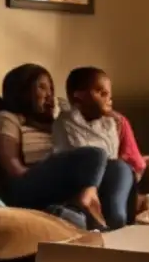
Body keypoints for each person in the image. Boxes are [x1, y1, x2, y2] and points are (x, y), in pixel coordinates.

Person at [0, 64, 108, 228]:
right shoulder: (8, 119)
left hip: (62, 182)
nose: (50, 95)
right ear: (22, 91)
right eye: (42, 88)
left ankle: (69, 212)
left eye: (51, 89)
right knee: (96, 154)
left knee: (116, 167)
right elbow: (13, 169)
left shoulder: (59, 122)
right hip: (28, 183)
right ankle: (82, 202)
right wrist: (56, 172)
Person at [53, 66, 136, 230]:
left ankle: (114, 219)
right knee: (111, 163)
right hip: (79, 183)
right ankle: (101, 218)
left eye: (109, 94)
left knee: (123, 168)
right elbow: (82, 157)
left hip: (106, 182)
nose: (108, 99)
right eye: (101, 93)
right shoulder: (66, 122)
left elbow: (112, 155)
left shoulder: (110, 123)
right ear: (79, 96)